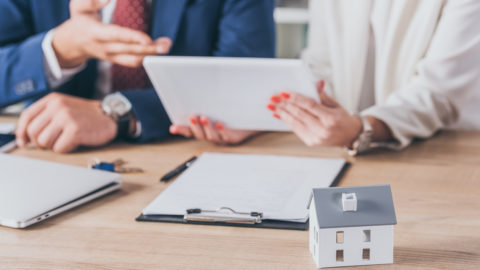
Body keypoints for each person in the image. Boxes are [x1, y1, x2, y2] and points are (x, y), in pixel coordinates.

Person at [0, 0, 275, 153]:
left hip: (186, 152)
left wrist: (119, 112)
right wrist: (62, 48)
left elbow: (244, 84)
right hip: (52, 152)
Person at [262, 0, 480, 154]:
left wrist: (361, 128)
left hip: (445, 148)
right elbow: (321, 63)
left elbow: (437, 92)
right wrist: (282, 114)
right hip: (355, 150)